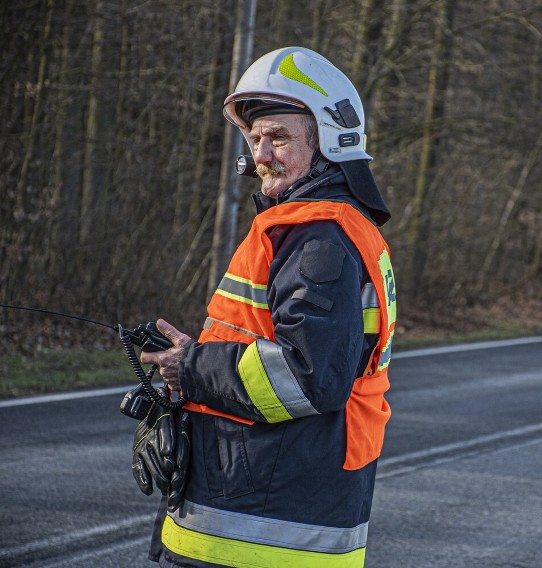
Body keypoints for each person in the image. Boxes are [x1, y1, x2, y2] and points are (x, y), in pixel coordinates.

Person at [137, 46, 397, 568]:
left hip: (264, 531)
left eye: (278, 137)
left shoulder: (318, 239)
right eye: (255, 139)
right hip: (263, 512)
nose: (261, 155)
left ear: (328, 144)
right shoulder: (312, 230)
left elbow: (307, 377)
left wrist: (190, 366)